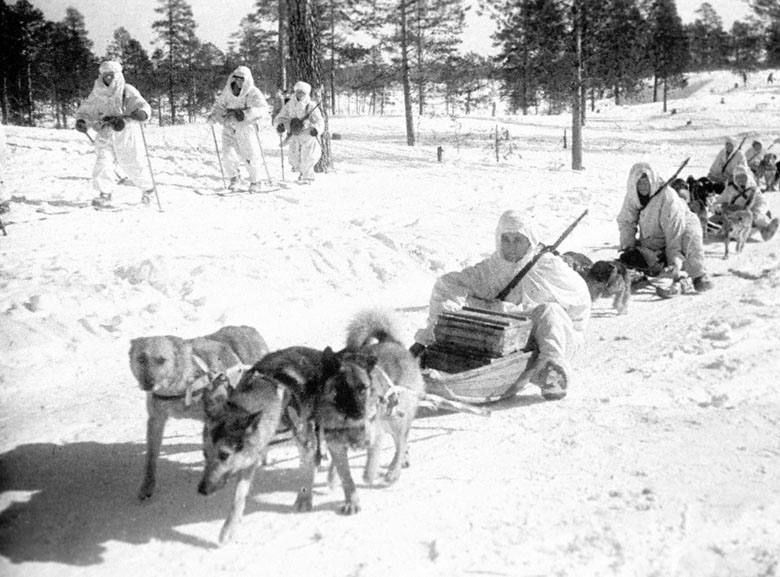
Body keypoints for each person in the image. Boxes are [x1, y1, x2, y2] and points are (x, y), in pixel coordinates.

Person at [411, 210, 591, 401]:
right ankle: (432, 349)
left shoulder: (550, 267)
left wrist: (503, 309)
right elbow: (449, 284)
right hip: (502, 336)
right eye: (506, 239)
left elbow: (579, 303)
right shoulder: (492, 267)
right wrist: (441, 323)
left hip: (548, 338)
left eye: (518, 240)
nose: (511, 246)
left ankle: (551, 372)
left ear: (530, 240)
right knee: (458, 300)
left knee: (550, 311)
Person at [618, 162, 712, 293]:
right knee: (639, 256)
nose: (642, 186)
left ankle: (699, 277)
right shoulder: (632, 196)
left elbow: (674, 231)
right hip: (654, 230)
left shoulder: (667, 197)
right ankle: (640, 272)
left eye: (646, 182)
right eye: (639, 183)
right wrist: (628, 246)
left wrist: (674, 260)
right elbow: (626, 221)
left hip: (682, 225)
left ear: (652, 181)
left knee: (689, 244)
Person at [75, 61, 153, 208]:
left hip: (126, 131)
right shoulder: (97, 93)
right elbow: (86, 110)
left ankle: (148, 189)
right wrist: (82, 121)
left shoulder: (127, 90)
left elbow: (142, 105)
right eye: (105, 75)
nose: (108, 78)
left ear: (117, 75)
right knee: (103, 162)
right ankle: (104, 194)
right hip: (105, 131)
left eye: (111, 75)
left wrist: (142, 113)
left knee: (132, 162)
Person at [208, 66, 269, 193]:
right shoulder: (228, 91)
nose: (239, 81)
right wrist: (214, 116)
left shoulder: (253, 92)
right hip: (229, 125)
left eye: (242, 79)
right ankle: (234, 178)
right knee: (228, 154)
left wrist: (247, 113)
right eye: (236, 78)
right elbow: (219, 105)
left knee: (250, 154)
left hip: (245, 127)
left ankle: (256, 181)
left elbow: (263, 109)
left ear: (247, 79)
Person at [273, 81, 324, 184]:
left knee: (308, 156)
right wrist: (279, 125)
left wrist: (316, 129)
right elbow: (281, 117)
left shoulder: (311, 105)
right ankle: (301, 173)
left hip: (307, 134)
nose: (300, 94)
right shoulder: (289, 105)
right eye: (298, 91)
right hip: (294, 134)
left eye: (302, 92)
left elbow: (319, 121)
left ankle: (308, 177)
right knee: (294, 157)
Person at [714, 165, 779, 242]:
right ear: (734, 179)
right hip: (733, 216)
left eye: (743, 177)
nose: (741, 180)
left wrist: (757, 212)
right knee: (716, 219)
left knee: (759, 217)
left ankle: (766, 231)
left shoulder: (753, 189)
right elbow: (718, 201)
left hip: (749, 218)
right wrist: (718, 207)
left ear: (747, 177)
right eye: (738, 178)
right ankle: (726, 232)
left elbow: (762, 202)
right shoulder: (730, 189)